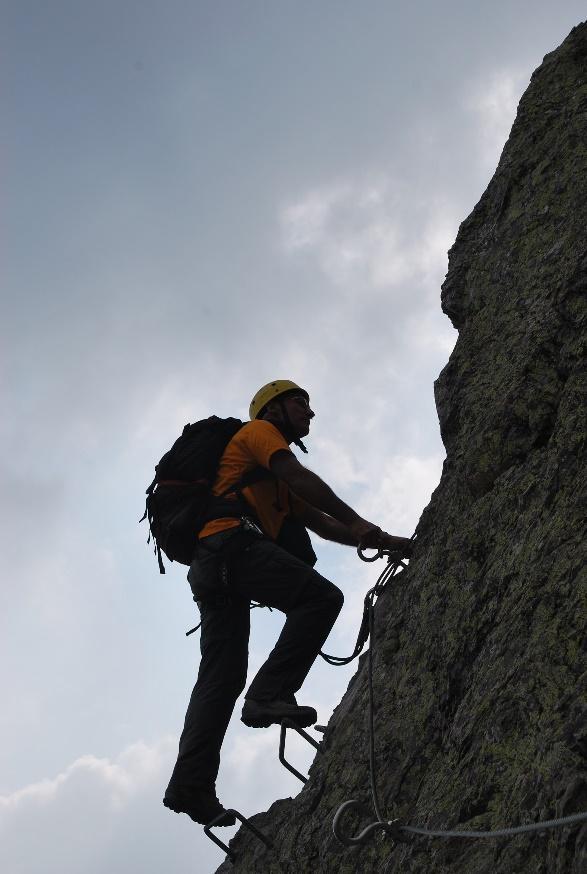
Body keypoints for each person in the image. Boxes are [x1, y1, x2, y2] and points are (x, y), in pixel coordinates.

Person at [163, 380, 413, 826]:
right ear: (273, 408)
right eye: (301, 402)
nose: (310, 413)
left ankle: (190, 785)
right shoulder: (258, 435)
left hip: (211, 564)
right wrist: (358, 521)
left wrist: (387, 541)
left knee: (220, 678)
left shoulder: (270, 484)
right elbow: (301, 478)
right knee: (321, 598)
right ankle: (269, 694)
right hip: (229, 547)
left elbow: (317, 521)